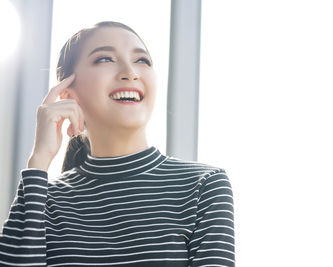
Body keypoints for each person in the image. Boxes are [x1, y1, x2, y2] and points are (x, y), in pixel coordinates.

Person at [0, 21, 235, 266]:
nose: (130, 72)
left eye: (141, 60)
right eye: (105, 59)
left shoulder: (203, 185)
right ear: (68, 93)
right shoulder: (42, 200)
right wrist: (38, 161)